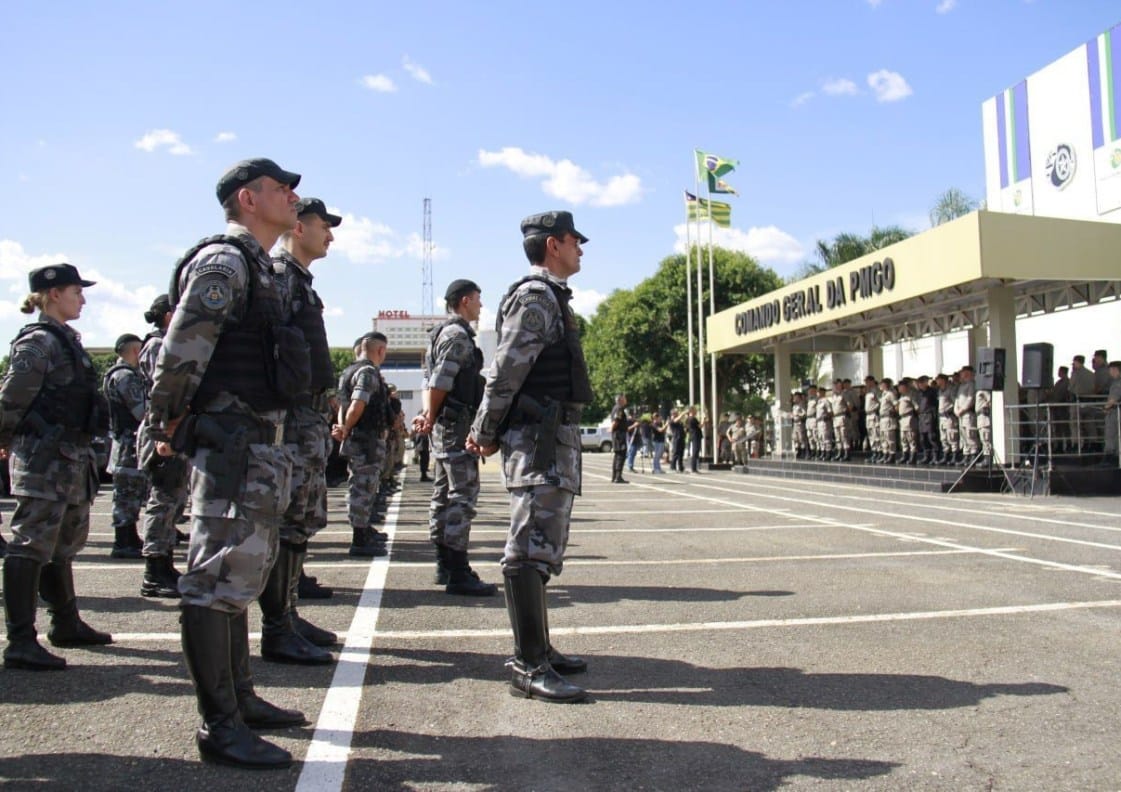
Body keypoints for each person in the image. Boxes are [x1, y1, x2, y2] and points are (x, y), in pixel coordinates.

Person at [147, 158, 307, 769]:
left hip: (257, 443)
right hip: (232, 444)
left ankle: (239, 699)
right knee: (214, 580)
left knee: (239, 576)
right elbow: (181, 347)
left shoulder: (260, 266)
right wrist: (164, 426)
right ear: (248, 198)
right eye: (281, 187)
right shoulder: (226, 261)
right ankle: (219, 726)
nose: (293, 195)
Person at [466, 209, 591, 704]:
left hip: (550, 438)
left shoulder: (552, 297)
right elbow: (505, 372)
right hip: (537, 440)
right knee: (528, 546)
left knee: (544, 545)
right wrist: (484, 430)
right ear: (553, 245)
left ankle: (539, 648)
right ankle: (528, 664)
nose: (581, 248)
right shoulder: (537, 298)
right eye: (574, 240)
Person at [0, 263, 112, 671]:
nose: (82, 298)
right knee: (30, 545)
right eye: (75, 291)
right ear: (51, 295)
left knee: (60, 546)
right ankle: (20, 640)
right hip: (44, 458)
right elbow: (13, 395)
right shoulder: (38, 342)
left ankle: (65, 623)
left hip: (69, 458)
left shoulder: (66, 340)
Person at [260, 196, 344, 664]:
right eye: (322, 225)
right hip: (289, 421)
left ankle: (287, 615)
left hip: (307, 418)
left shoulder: (299, 282)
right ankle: (277, 628)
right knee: (288, 519)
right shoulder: (279, 277)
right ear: (297, 225)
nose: (329, 234)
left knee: (301, 520)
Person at [414, 278, 495, 597]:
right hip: (455, 426)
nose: (480, 305)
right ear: (464, 301)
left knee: (444, 494)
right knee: (462, 495)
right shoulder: (457, 336)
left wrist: (428, 415)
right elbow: (440, 380)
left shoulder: (439, 334)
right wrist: (431, 415)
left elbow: (427, 381)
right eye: (477, 299)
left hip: (445, 425)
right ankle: (458, 570)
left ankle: (444, 563)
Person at [136, 295, 189, 598]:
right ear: (169, 316)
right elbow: (163, 392)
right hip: (162, 431)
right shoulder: (158, 345)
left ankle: (165, 563)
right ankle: (154, 570)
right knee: (162, 501)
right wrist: (163, 435)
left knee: (173, 500)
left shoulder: (167, 343)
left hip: (172, 430)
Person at [334, 333, 392, 558]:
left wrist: (343, 427)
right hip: (366, 439)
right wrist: (347, 427)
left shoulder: (348, 371)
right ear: (380, 350)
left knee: (363, 484)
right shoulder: (368, 372)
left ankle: (364, 529)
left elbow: (342, 404)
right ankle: (359, 539)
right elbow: (358, 403)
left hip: (359, 437)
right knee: (363, 487)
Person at [103, 333, 149, 558]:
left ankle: (129, 538)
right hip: (128, 445)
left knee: (129, 494)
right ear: (134, 351)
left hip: (126, 444)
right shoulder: (125, 376)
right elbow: (140, 411)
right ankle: (123, 542)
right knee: (126, 495)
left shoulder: (120, 374)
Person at [955, 365, 979, 464]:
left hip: (968, 414)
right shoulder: (961, 386)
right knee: (963, 435)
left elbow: (970, 399)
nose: (962, 376)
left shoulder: (971, 385)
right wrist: (956, 409)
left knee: (970, 434)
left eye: (964, 374)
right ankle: (966, 454)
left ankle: (973, 453)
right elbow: (957, 399)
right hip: (960, 414)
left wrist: (962, 409)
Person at [1100, 361, 1121, 467]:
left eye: (1110, 370)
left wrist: (1106, 408)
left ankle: (1110, 459)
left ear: (1115, 369)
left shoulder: (1117, 383)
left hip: (1114, 413)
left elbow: (1113, 399)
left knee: (1111, 435)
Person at [935, 373, 959, 465]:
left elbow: (955, 401)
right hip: (941, 417)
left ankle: (954, 455)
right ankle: (946, 455)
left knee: (951, 436)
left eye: (939, 380)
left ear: (943, 380)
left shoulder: (951, 389)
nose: (937, 382)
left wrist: (951, 409)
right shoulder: (940, 391)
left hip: (949, 416)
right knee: (943, 438)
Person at [897, 379, 918, 464]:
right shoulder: (902, 396)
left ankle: (913, 456)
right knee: (903, 438)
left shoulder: (911, 395)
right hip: (902, 419)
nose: (899, 389)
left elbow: (916, 407)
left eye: (901, 387)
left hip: (909, 417)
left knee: (911, 438)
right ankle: (905, 455)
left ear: (905, 387)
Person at [609, 394, 629, 483]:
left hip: (617, 433)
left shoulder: (615, 408)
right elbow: (617, 419)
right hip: (619, 434)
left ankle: (614, 476)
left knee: (617, 455)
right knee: (621, 454)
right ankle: (618, 476)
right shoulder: (619, 408)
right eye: (624, 398)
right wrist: (612, 428)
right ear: (620, 400)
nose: (626, 400)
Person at [878, 378, 898, 464]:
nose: (880, 386)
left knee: (890, 438)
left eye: (882, 384)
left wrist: (894, 413)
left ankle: (892, 455)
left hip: (888, 418)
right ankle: (885, 454)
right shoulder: (883, 395)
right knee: (883, 438)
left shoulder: (890, 394)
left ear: (886, 385)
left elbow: (896, 405)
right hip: (882, 419)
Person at [863, 376, 880, 463]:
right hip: (868, 415)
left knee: (876, 434)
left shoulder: (876, 391)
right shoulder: (868, 392)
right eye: (866, 382)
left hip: (874, 415)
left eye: (868, 382)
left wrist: (876, 409)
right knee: (871, 436)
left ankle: (879, 452)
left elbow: (880, 402)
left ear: (872, 381)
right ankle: (874, 452)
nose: (866, 383)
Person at [412, 408, 432, 481]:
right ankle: (423, 475)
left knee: (425, 458)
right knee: (424, 458)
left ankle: (424, 474)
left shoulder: (419, 423)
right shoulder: (420, 422)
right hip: (422, 441)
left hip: (422, 441)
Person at [686, 406, 702, 472]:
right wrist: (703, 420)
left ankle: (695, 468)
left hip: (693, 436)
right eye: (695, 410)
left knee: (696, 452)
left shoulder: (688, 419)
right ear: (692, 411)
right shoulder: (692, 419)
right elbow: (700, 426)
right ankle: (693, 468)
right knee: (695, 452)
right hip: (695, 436)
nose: (696, 412)